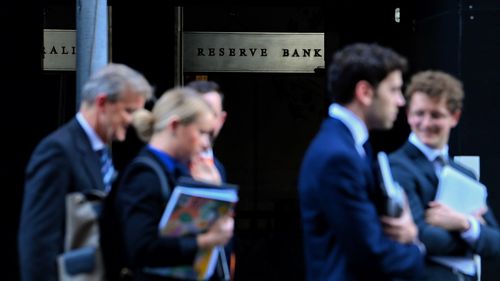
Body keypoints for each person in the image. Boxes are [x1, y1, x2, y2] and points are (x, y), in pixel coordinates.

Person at [298, 43, 425, 281]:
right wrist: (416, 249)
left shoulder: (350, 145)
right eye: (394, 90)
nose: (400, 101)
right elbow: (370, 251)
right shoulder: (338, 156)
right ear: (365, 92)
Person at [18, 63, 153, 281]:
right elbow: (38, 241)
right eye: (129, 111)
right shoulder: (58, 151)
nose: (132, 121)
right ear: (102, 103)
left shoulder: (99, 152)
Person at [104, 87, 234, 281]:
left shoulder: (175, 170)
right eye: (201, 132)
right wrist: (205, 241)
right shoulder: (144, 174)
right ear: (175, 126)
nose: (206, 143)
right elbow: (141, 248)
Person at [389, 70, 500, 281]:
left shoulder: (465, 175)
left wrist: (463, 223)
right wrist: (476, 233)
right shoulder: (397, 166)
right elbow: (421, 237)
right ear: (408, 115)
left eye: (436, 114)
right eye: (419, 113)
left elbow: (496, 244)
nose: (426, 123)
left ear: (454, 117)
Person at [186, 80, 228, 182]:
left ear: (221, 120)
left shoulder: (219, 168)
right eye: (198, 115)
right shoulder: (169, 165)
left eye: (212, 114)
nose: (205, 122)